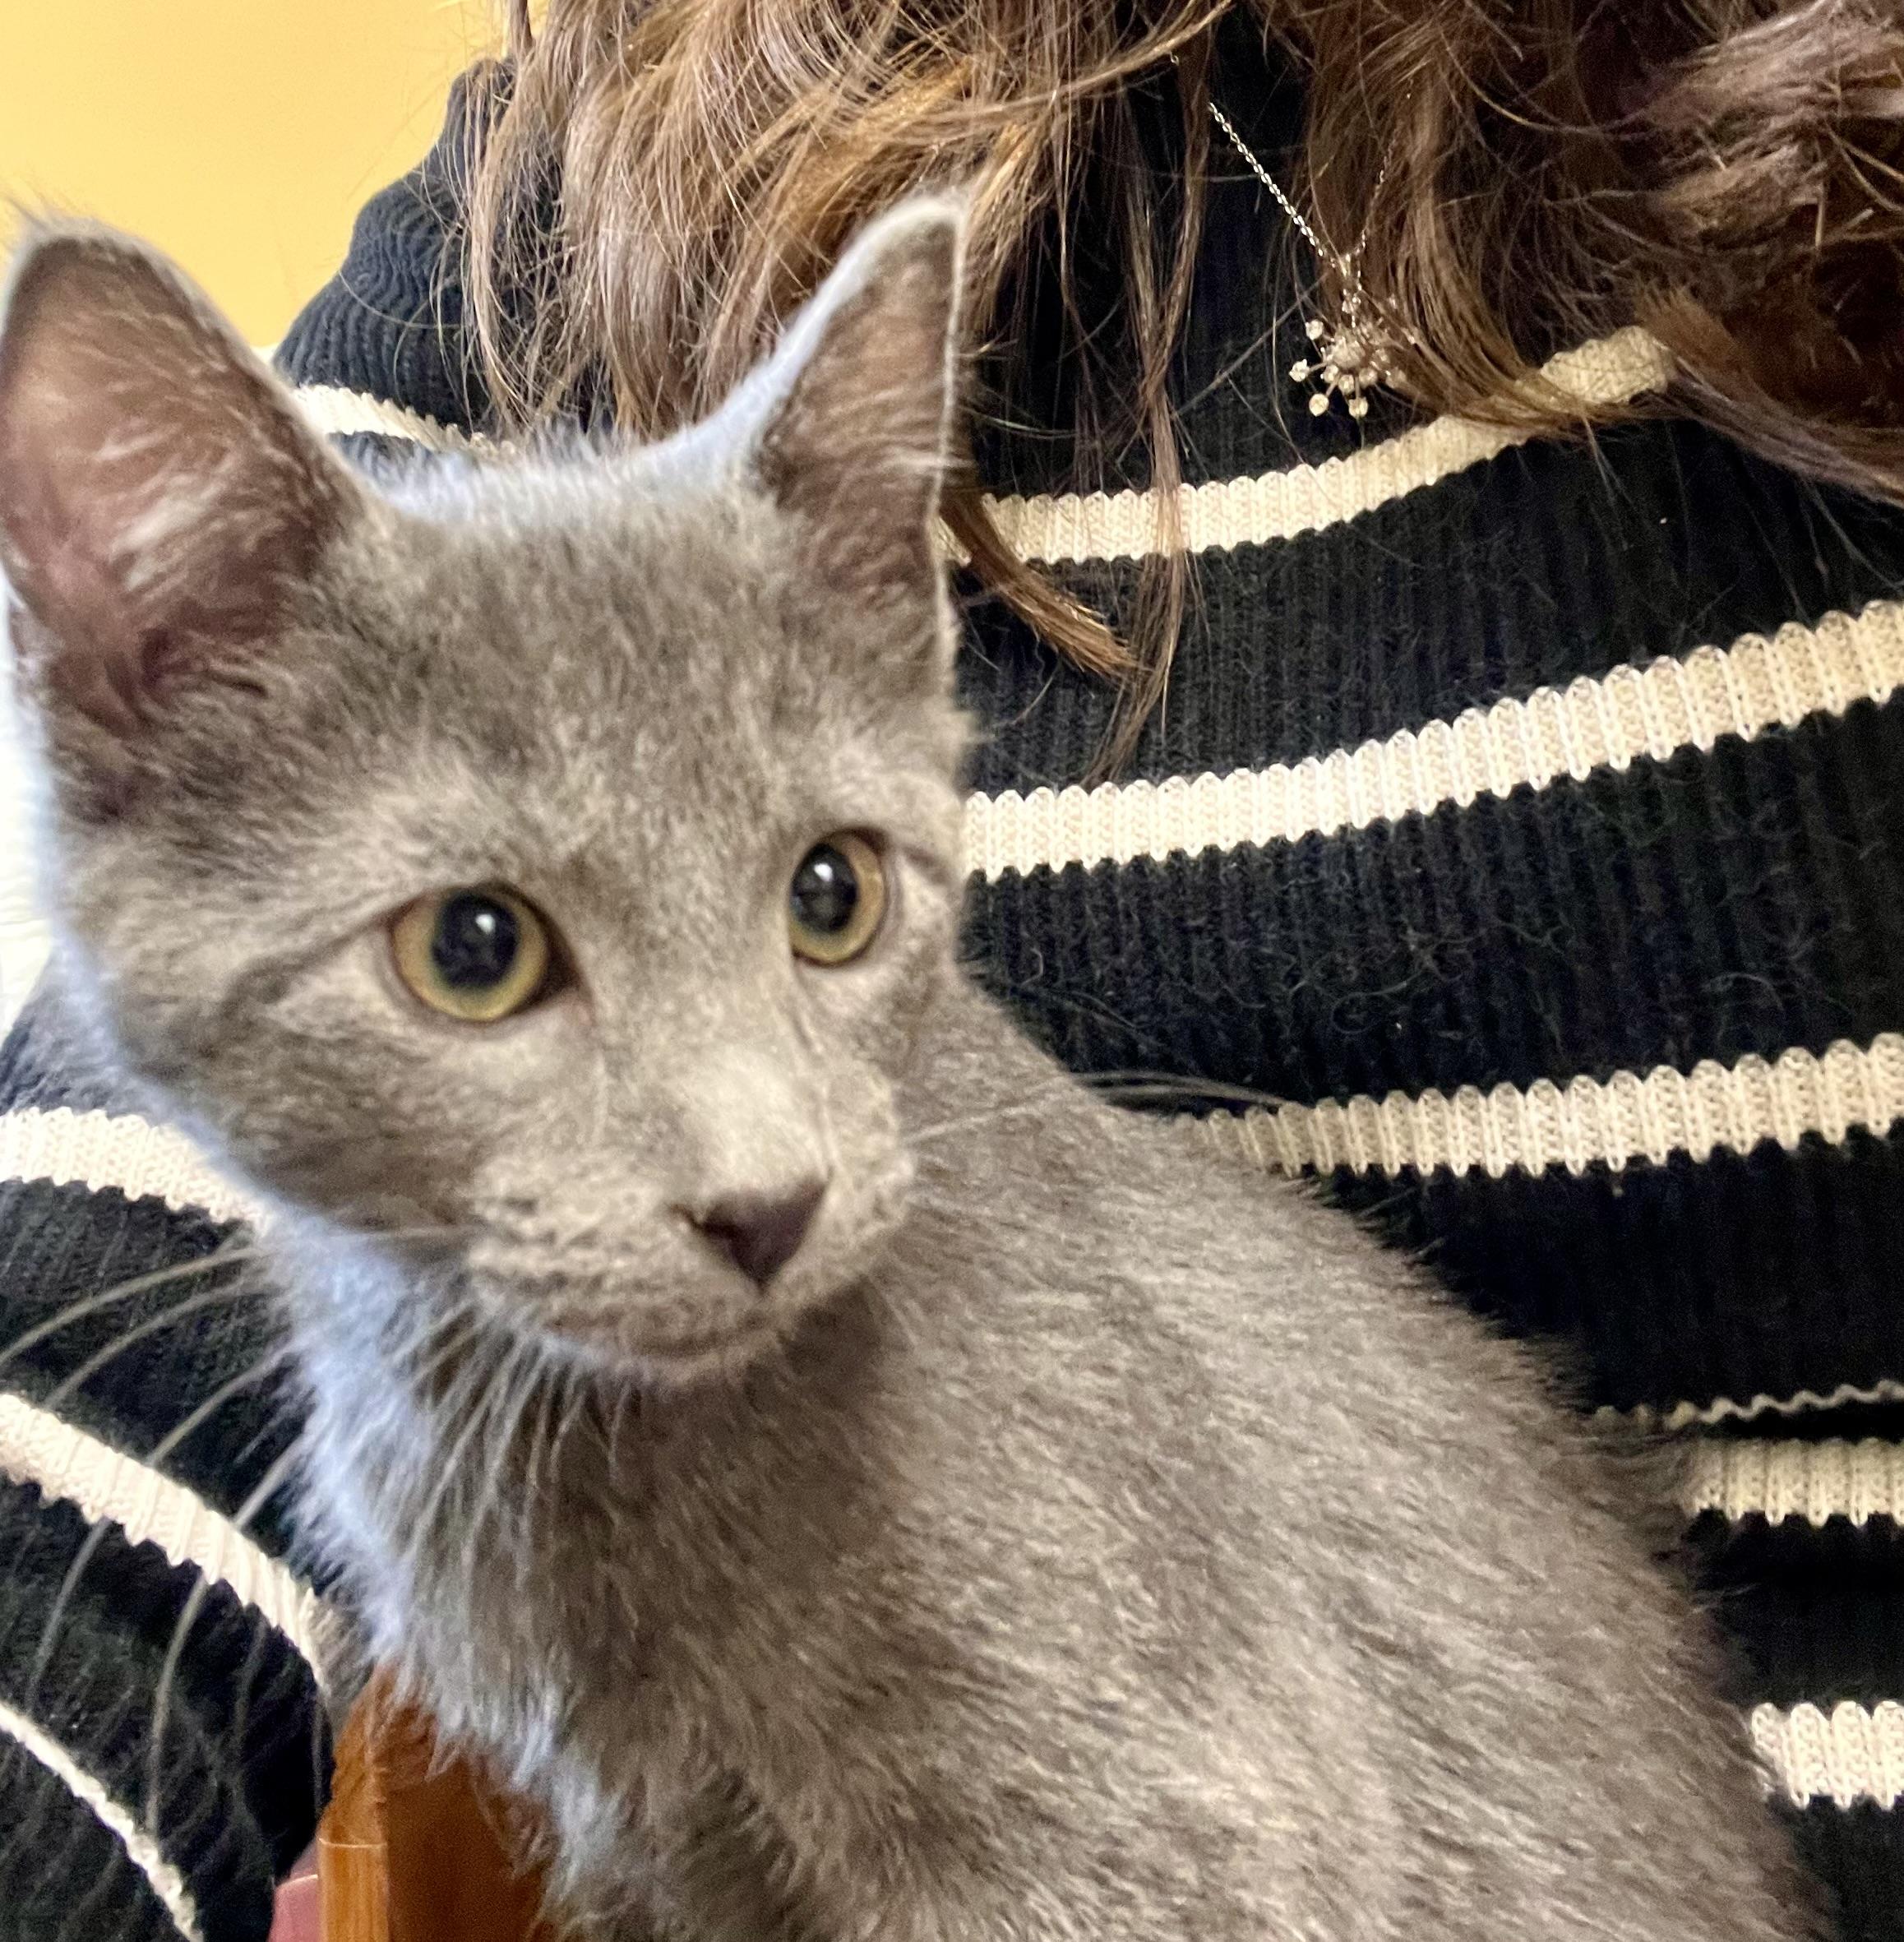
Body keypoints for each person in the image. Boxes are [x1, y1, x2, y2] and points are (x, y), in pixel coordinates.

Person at [2, 2, 1902, 1937]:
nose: (766, 1164)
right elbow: (72, 1401)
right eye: (475, 950)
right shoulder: (607, 145)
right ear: (146, 710)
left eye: (829, 898)